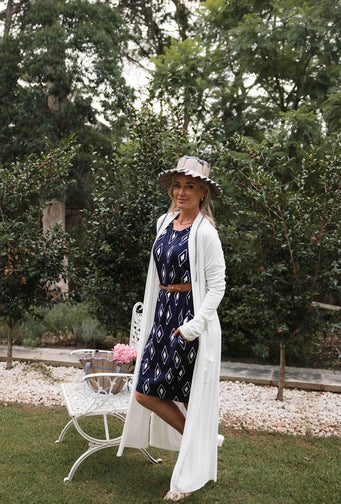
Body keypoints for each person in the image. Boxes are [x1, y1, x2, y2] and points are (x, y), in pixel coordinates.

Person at [117, 155, 226, 501]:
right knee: (145, 391)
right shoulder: (164, 222)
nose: (181, 192)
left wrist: (195, 325)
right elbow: (156, 274)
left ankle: (189, 476)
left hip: (190, 319)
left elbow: (218, 285)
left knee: (189, 395)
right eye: (177, 186)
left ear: (203, 193)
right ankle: (203, 441)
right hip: (163, 314)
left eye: (189, 186)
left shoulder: (206, 233)